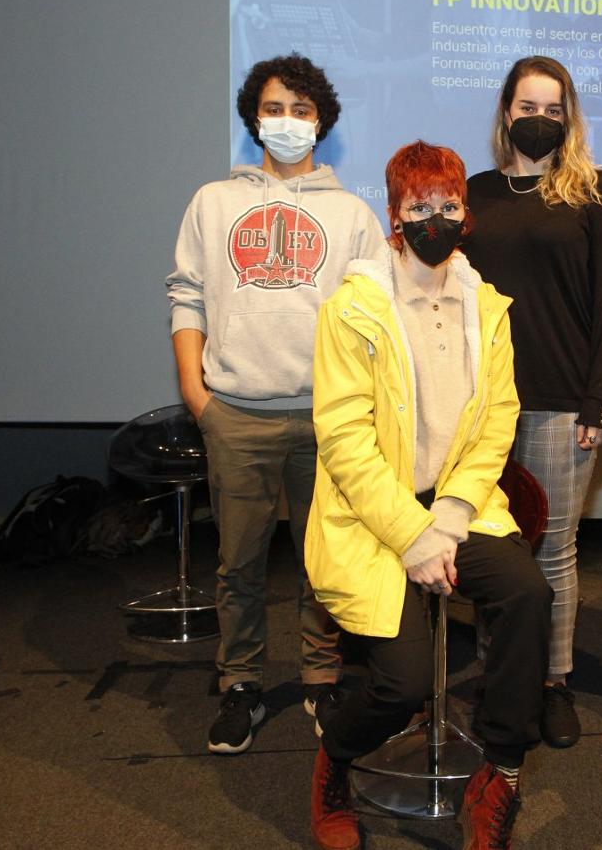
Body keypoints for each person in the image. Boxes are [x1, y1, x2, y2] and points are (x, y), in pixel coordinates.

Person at [304, 141, 551, 850]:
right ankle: (335, 760)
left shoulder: (487, 308)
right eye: (419, 206)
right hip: (372, 520)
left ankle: (500, 771)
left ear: (464, 214)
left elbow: (496, 420)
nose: (434, 218)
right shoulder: (352, 310)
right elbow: (345, 444)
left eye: (448, 205)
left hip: (459, 509)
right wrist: (412, 536)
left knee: (528, 595)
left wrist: (449, 516)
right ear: (395, 214)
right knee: (401, 685)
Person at [167, 53, 385, 754]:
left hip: (329, 417)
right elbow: (186, 295)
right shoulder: (212, 201)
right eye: (273, 108)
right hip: (235, 412)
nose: (285, 122)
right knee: (239, 563)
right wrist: (196, 395)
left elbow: (374, 317)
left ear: (321, 121)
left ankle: (322, 680)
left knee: (327, 561)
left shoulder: (352, 214)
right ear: (253, 119)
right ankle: (241, 685)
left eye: (300, 109)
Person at [463, 55, 602, 748]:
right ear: (507, 112)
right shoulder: (472, 192)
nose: (539, 119)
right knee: (491, 550)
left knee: (553, 550)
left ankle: (553, 681)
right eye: (527, 107)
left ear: (569, 117)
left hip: (564, 403)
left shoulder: (593, 192)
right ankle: (499, 677)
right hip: (481, 406)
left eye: (552, 109)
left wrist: (599, 403)